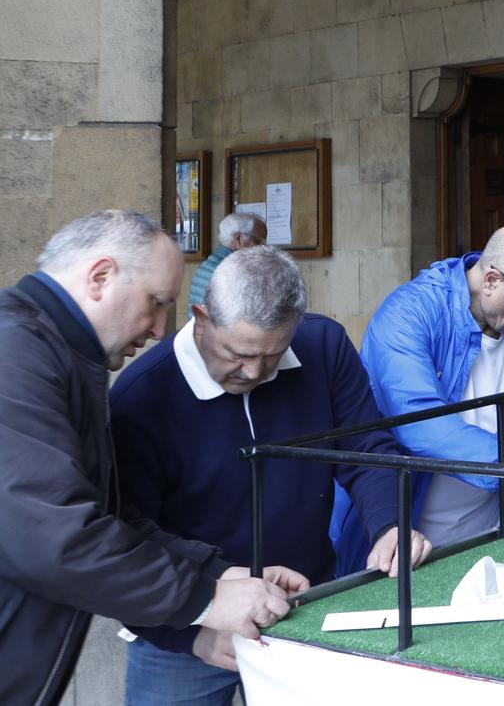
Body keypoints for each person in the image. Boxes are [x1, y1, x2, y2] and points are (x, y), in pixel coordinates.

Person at [0, 211, 295, 703]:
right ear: (100, 278)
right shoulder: (15, 353)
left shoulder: (56, 356)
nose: (160, 328)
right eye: (155, 303)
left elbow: (106, 519)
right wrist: (204, 599)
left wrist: (218, 573)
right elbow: (56, 539)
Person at [111, 245, 429, 700]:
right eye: (238, 353)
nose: (255, 371)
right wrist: (194, 632)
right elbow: (127, 541)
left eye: (273, 354)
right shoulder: (139, 397)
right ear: (201, 318)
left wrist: (389, 523)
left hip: (308, 604)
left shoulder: (323, 346)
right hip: (188, 629)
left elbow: (365, 449)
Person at [335, 220, 504, 567]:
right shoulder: (409, 313)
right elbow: (421, 423)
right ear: (492, 281)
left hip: (487, 536)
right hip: (401, 541)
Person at [187, 209, 266, 313]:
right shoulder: (231, 270)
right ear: (238, 238)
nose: (263, 248)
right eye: (259, 241)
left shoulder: (210, 263)